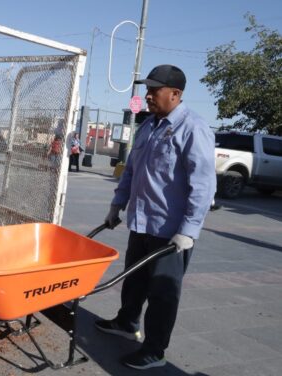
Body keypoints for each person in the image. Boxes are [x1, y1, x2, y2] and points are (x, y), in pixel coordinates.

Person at [96, 65, 216, 369]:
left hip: (170, 232)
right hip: (142, 222)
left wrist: (188, 230)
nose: (147, 96)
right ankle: (126, 322)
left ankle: (154, 351)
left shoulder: (193, 128)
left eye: (154, 90)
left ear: (175, 94)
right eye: (147, 90)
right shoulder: (149, 126)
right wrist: (117, 205)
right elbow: (132, 170)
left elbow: (203, 184)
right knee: (134, 280)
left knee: (163, 293)